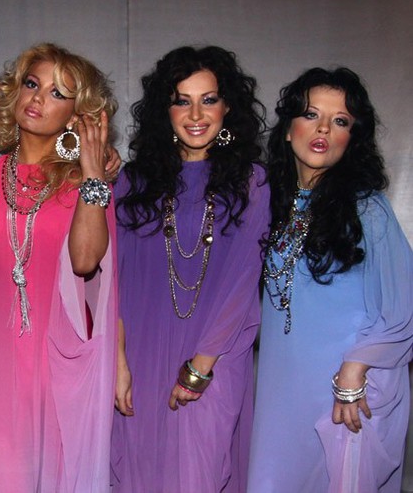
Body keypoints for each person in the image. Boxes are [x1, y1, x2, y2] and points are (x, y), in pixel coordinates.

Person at [111, 46, 270, 492]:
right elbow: (114, 283)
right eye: (182, 101)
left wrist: (199, 369)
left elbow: (243, 283)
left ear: (227, 107)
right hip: (141, 358)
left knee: (202, 471)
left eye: (208, 99)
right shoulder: (132, 183)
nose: (196, 114)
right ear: (165, 111)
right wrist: (117, 363)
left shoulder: (251, 183)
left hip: (216, 358)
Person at [248, 68, 413, 492]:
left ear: (351, 138)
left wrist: (355, 370)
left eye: (340, 120)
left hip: (344, 389)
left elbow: (404, 306)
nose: (323, 128)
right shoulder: (270, 205)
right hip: (280, 387)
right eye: (311, 114)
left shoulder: (367, 208)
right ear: (288, 130)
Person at [0, 43, 118, 492]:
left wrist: (93, 176)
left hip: (55, 367)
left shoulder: (88, 186)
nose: (37, 98)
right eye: (32, 84)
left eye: (57, 93)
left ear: (77, 115)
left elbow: (85, 261)